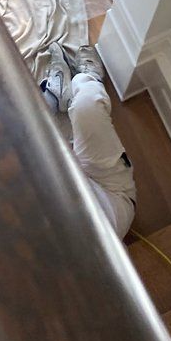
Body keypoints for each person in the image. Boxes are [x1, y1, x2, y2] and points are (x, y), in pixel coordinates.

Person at [40, 42, 137, 238]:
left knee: (84, 109)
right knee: (88, 102)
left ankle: (53, 95)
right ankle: (88, 79)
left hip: (57, 176)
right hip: (110, 192)